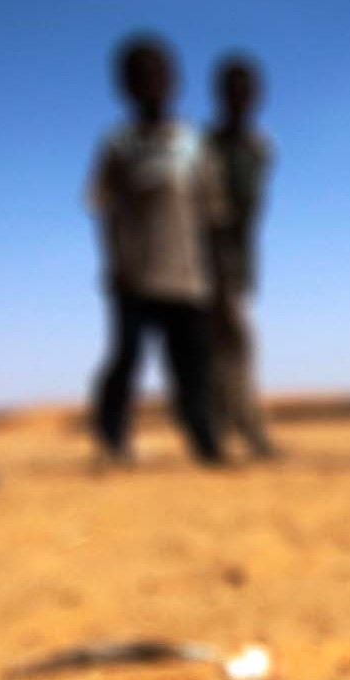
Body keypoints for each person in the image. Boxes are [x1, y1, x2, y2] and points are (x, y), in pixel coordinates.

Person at [86, 34, 229, 468]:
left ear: (174, 81)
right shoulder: (117, 145)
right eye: (139, 76)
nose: (151, 84)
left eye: (159, 74)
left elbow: (212, 213)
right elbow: (102, 208)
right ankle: (112, 441)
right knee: (126, 358)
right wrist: (115, 263)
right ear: (124, 86)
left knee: (192, 365)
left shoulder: (193, 144)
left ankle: (205, 441)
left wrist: (219, 275)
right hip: (134, 276)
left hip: (188, 277)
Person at [207, 54, 281, 462]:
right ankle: (242, 431)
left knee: (231, 344)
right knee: (228, 344)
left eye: (247, 91)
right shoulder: (204, 146)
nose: (241, 99)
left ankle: (228, 429)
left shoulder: (260, 147)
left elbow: (251, 208)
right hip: (205, 257)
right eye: (233, 91)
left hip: (239, 257)